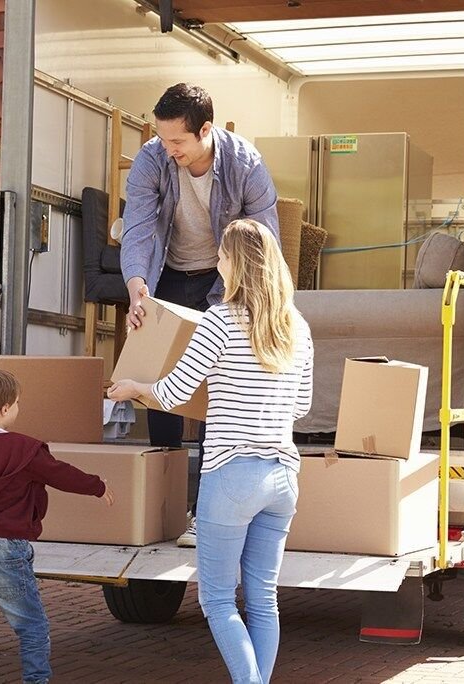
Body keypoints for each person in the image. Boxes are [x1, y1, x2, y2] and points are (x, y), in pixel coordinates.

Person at [109, 219, 313, 684]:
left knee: (218, 600)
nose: (216, 262)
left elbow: (175, 391)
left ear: (235, 264)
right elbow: (301, 405)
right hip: (282, 475)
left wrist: (134, 388)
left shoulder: (219, 321)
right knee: (262, 598)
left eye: (221, 255)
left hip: (230, 474)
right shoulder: (297, 327)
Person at [121, 82, 280, 547]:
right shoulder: (153, 158)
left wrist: (241, 303)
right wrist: (137, 287)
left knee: (217, 390)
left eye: (177, 142)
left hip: (225, 281)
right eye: (162, 138)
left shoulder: (245, 164)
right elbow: (138, 227)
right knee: (161, 384)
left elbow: (262, 241)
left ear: (205, 130)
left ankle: (205, 513)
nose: (167, 149)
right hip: (166, 276)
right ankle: (166, 508)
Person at [0, 368, 115, 684]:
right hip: (6, 546)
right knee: (32, 625)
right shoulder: (25, 450)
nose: (18, 408)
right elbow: (60, 474)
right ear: (5, 408)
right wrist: (97, 486)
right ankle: (36, 680)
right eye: (18, 402)